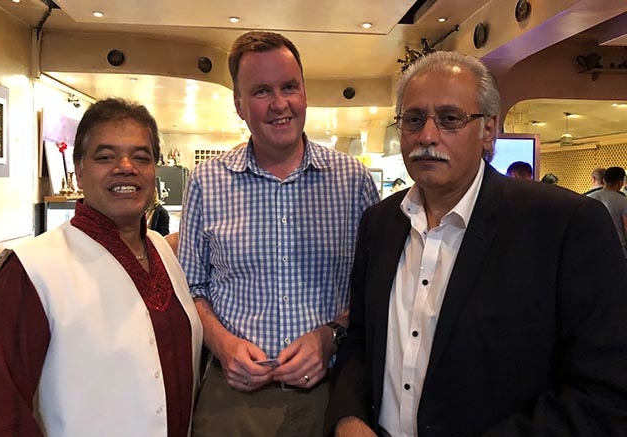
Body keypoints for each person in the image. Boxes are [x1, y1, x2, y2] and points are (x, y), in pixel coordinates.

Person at [325, 51, 627, 436]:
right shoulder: (380, 223)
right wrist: (348, 417)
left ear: (488, 130)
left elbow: (604, 393)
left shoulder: (564, 225)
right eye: (413, 119)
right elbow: (362, 338)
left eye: (450, 119)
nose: (427, 136)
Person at [178, 31, 380, 436]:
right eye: (261, 91)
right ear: (239, 104)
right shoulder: (206, 182)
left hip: (331, 394)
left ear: (304, 91)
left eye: (290, 87)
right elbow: (191, 288)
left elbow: (374, 290)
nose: (279, 104)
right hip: (232, 401)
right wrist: (221, 343)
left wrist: (330, 337)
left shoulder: (352, 181)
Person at [0, 98, 203, 437]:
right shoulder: (31, 269)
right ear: (79, 169)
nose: (126, 166)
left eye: (142, 157)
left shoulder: (162, 250)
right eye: (105, 156)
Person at [587, 166, 627, 260]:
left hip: (594, 250)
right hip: (618, 250)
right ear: (620, 182)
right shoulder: (623, 201)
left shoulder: (588, 198)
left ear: (604, 180)